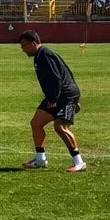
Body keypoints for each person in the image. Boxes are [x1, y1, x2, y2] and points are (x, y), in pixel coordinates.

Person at [19, 30, 85, 172]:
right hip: (56, 95)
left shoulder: (45, 55)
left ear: (33, 43)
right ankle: (40, 159)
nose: (22, 50)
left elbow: (56, 78)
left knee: (60, 126)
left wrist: (54, 100)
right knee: (36, 123)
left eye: (24, 46)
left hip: (65, 95)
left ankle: (79, 162)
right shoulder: (39, 55)